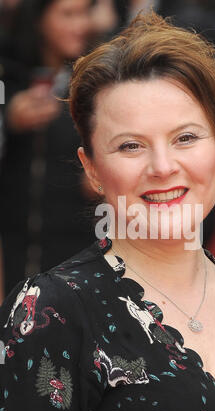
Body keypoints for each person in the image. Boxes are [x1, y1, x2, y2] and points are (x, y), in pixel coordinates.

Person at [0, 11, 215, 411]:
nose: (162, 167)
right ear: (93, 169)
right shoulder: (51, 312)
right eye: (131, 145)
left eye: (185, 138)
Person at [0, 0, 95, 297]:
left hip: (76, 251)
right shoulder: (8, 77)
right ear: (38, 18)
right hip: (14, 246)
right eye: (68, 14)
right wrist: (7, 120)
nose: (80, 25)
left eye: (84, 13)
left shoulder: (96, 81)